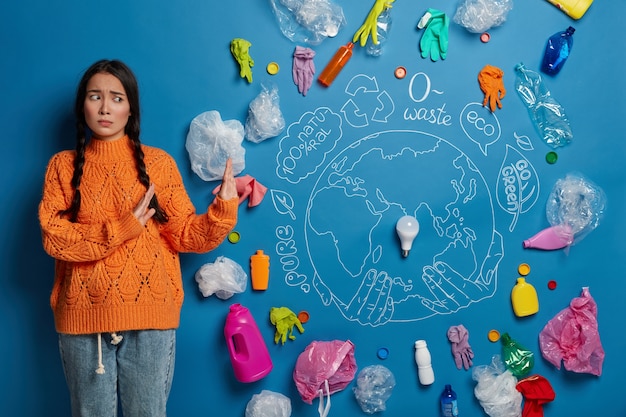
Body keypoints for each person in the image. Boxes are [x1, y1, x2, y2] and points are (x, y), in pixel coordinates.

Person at [38, 59, 239, 417]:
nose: (104, 107)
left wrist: (223, 209)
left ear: (130, 108)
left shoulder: (158, 164)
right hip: (85, 318)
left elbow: (185, 235)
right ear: (82, 105)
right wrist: (122, 228)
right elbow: (55, 238)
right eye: (94, 96)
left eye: (116, 98)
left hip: (151, 316)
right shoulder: (62, 166)